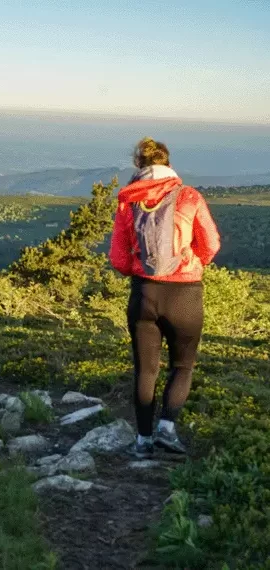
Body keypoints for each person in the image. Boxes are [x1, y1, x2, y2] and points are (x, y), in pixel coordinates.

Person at [109, 137, 220, 458]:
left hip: (144, 294)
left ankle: (143, 441)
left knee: (146, 370)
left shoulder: (128, 202)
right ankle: (167, 430)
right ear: (168, 164)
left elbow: (118, 259)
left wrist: (140, 266)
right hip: (185, 294)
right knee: (182, 367)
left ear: (139, 166)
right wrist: (190, 261)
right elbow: (211, 245)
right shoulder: (188, 196)